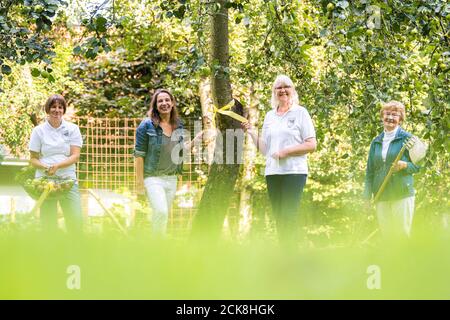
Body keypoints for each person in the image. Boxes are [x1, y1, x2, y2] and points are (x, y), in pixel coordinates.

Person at [242, 75, 317, 246]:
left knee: (288, 215)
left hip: (294, 172)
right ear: (274, 92)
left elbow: (312, 144)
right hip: (273, 172)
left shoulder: (300, 112)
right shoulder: (270, 116)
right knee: (279, 217)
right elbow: (266, 150)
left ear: (292, 90)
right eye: (278, 87)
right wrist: (252, 133)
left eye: (286, 86)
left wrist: (286, 152)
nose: (282, 90)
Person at [134, 89, 202, 236]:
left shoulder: (178, 125)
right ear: (155, 105)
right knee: (161, 212)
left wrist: (196, 140)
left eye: (167, 100)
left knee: (162, 216)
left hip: (171, 178)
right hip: (153, 177)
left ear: (172, 103)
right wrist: (139, 183)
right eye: (160, 101)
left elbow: (180, 151)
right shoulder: (146, 125)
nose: (164, 103)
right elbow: (139, 155)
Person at [29, 94, 83, 234]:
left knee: (75, 221)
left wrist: (58, 166)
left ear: (63, 110)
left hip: (67, 180)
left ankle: (76, 253)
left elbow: (75, 155)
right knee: (48, 224)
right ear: (48, 109)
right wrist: (46, 168)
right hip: (44, 181)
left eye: (60, 107)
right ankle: (50, 253)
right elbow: (33, 159)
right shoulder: (38, 131)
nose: (57, 110)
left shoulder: (73, 129)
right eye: (53, 107)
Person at [364, 100, 420, 238]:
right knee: (387, 236)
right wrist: (366, 197)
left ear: (400, 119)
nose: (390, 117)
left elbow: (418, 166)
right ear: (382, 116)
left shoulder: (408, 139)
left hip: (401, 193)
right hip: (381, 194)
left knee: (401, 235)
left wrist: (405, 165)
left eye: (394, 115)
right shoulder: (376, 141)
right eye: (387, 113)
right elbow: (370, 172)